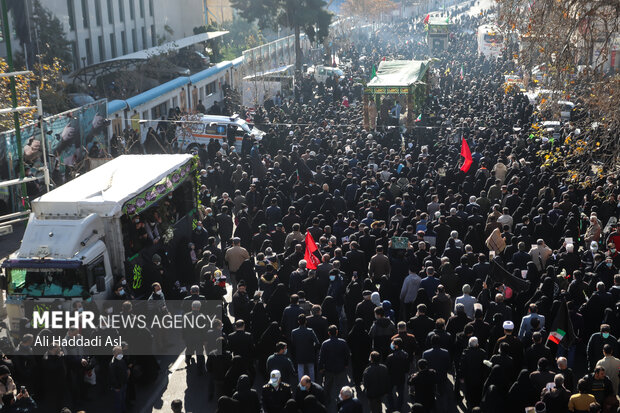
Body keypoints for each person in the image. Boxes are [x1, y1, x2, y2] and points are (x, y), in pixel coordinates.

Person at [318, 325, 350, 404]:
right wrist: (346, 364)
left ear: (328, 333)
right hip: (340, 368)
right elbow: (347, 355)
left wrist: (320, 367)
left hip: (329, 368)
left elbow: (321, 357)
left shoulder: (325, 344)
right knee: (341, 385)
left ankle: (326, 400)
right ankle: (342, 400)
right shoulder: (343, 342)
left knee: (327, 385)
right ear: (337, 332)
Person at [290, 314, 320, 382]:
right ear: (306, 321)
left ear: (298, 321)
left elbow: (293, 344)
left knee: (300, 370)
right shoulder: (310, 331)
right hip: (310, 353)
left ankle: (301, 385)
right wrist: (312, 348)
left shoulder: (294, 332)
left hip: (299, 353)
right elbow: (317, 343)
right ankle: (312, 384)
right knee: (311, 370)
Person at [109, 346, 129, 413]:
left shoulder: (121, 360)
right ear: (114, 354)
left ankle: (124, 410)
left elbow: (124, 369)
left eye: (121, 352)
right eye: (119, 352)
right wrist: (116, 387)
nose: (121, 354)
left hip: (123, 384)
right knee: (118, 401)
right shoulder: (112, 364)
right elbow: (112, 377)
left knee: (123, 399)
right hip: (118, 387)